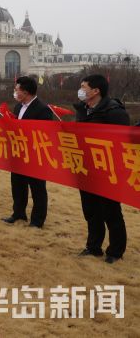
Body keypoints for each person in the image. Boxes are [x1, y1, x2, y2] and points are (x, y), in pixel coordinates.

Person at [74, 74, 130, 263]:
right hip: (86, 168)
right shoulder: (82, 110)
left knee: (111, 211)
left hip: (108, 171)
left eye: (84, 87)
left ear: (96, 91)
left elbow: (123, 144)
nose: (81, 90)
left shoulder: (115, 112)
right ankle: (93, 246)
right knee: (90, 211)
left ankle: (115, 251)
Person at [3, 76, 53, 228]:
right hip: (19, 153)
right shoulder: (18, 107)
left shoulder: (42, 109)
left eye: (17, 90)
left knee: (37, 188)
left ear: (25, 92)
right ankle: (18, 213)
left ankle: (37, 220)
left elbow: (44, 133)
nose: (15, 92)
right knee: (17, 185)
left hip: (34, 155)